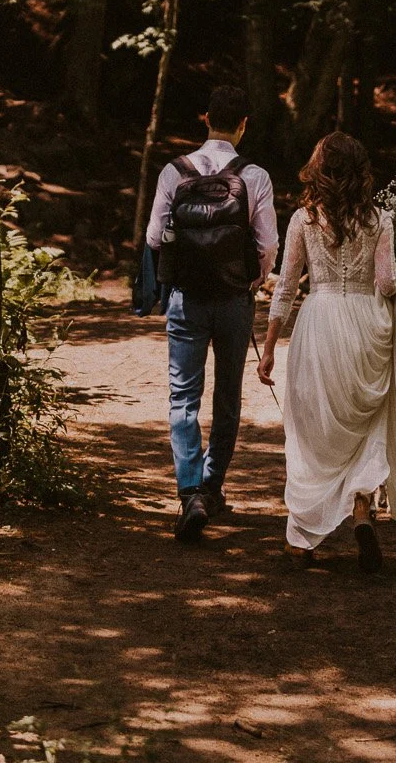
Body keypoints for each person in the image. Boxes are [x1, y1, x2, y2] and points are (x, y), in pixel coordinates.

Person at [257, 131, 396, 571]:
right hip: (366, 328)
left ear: (319, 171)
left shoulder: (304, 219)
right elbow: (385, 283)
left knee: (312, 430)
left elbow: (285, 288)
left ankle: (302, 540)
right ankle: (362, 507)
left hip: (319, 322)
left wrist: (268, 348)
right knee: (367, 423)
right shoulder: (380, 219)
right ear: (361, 172)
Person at [145, 83, 278, 544]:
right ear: (243, 125)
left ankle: (188, 494)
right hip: (233, 301)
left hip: (185, 298)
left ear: (206, 119)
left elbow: (154, 238)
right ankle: (211, 486)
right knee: (227, 396)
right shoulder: (255, 176)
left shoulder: (174, 172)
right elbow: (268, 246)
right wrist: (253, 280)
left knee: (183, 396)